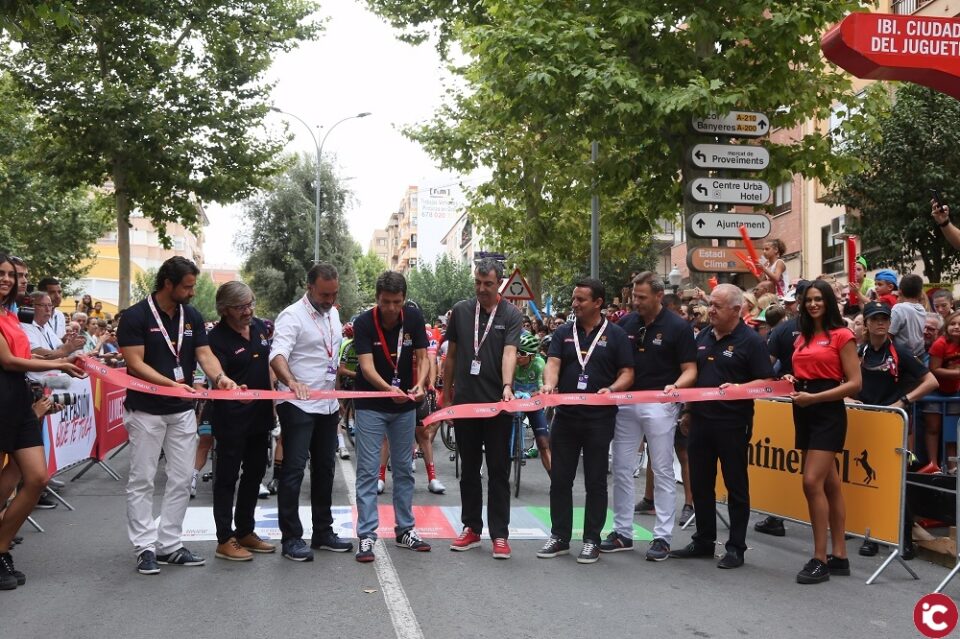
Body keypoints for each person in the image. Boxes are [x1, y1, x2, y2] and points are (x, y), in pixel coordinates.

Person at [117, 256, 239, 575]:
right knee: (142, 478)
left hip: (182, 410)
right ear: (167, 284)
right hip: (145, 410)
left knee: (182, 477)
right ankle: (145, 546)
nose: (192, 291)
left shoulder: (192, 316)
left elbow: (204, 353)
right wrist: (173, 384)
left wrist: (220, 378)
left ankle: (170, 544)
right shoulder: (135, 316)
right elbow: (135, 364)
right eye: (187, 286)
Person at [669, 284, 774, 569]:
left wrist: (740, 387)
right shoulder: (702, 336)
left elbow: (766, 382)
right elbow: (695, 378)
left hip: (732, 423)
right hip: (701, 421)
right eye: (710, 305)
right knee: (701, 484)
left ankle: (736, 547)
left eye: (717, 306)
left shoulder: (751, 341)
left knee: (735, 486)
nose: (710, 310)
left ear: (736, 310)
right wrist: (688, 410)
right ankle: (704, 540)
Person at [0, 254, 85, 589]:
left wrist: (63, 355)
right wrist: (61, 365)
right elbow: (8, 361)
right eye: (3, 274)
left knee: (36, 477)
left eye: (12, 275)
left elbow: (28, 354)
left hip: (18, 401)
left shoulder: (9, 315)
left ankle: (2, 547)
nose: (8, 279)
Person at [537, 278, 633, 564]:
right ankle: (559, 537)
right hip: (565, 417)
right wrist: (549, 384)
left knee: (595, 481)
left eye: (581, 300)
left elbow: (627, 372)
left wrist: (613, 389)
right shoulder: (564, 332)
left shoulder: (616, 335)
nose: (574, 304)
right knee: (560, 479)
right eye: (574, 299)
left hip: (599, 419)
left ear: (598, 303)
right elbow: (553, 363)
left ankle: (592, 539)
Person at [603, 271, 696, 561]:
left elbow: (690, 369)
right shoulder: (626, 324)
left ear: (658, 295)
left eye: (642, 297)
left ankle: (662, 537)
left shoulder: (678, 327)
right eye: (634, 296)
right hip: (626, 404)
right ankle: (622, 532)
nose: (636, 302)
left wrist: (675, 388)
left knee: (663, 469)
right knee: (620, 467)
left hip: (660, 403)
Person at [269, 262, 353, 562]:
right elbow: (277, 354)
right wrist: (291, 381)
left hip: (327, 405)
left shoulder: (333, 314)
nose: (329, 300)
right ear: (309, 288)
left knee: (325, 469)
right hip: (298, 404)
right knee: (293, 470)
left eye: (334, 294)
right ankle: (291, 538)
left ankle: (323, 532)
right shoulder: (292, 316)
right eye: (324, 294)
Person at [442, 258, 523, 559]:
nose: (481, 288)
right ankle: (471, 528)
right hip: (465, 403)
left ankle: (500, 535)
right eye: (478, 282)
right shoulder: (461, 312)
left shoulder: (511, 314)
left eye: (488, 284)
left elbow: (510, 352)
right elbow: (451, 356)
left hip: (497, 406)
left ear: (499, 283)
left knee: (499, 470)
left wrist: (507, 386)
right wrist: (445, 395)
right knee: (469, 470)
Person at [352, 271, 432, 562]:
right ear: (377, 298)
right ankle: (367, 535)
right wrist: (388, 389)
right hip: (372, 404)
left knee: (405, 469)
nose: (391, 308)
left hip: (404, 407)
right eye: (385, 302)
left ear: (404, 300)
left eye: (397, 302)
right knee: (368, 470)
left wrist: (421, 383)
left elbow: (423, 357)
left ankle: (405, 529)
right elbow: (366, 365)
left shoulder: (412, 318)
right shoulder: (364, 323)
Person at [787, 280, 861, 584]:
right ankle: (840, 555)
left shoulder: (843, 336)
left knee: (811, 482)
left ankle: (820, 558)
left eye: (819, 299)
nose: (813, 304)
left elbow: (855, 384)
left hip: (827, 411)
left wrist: (814, 398)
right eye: (809, 300)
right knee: (830, 484)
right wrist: (792, 378)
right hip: (803, 408)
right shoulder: (801, 338)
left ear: (828, 302)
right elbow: (805, 371)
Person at [853, 301, 938, 557]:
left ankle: (904, 538)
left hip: (893, 425)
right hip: (867, 423)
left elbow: (931, 381)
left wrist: (904, 401)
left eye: (885, 318)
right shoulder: (860, 352)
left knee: (895, 482)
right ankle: (872, 535)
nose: (881, 323)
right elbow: (848, 381)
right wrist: (850, 398)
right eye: (875, 318)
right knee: (869, 482)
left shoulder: (900, 351)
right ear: (866, 323)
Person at [207, 282, 276, 561]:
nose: (248, 311)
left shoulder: (259, 327)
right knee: (227, 478)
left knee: (255, 473)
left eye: (250, 304)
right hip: (231, 420)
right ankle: (225, 538)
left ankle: (246, 530)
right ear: (224, 310)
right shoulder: (217, 340)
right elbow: (217, 375)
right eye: (241, 307)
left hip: (260, 417)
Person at [926, 310, 960, 472]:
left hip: (954, 393)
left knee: (952, 429)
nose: (956, 327)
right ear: (946, 326)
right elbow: (934, 369)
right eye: (953, 324)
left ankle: (952, 466)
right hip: (935, 392)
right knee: (933, 428)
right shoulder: (940, 343)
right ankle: (933, 464)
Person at [512, 333, 551, 472]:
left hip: (533, 403)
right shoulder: (513, 362)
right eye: (517, 351)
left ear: (532, 356)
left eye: (522, 353)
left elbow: (543, 387)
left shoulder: (539, 363)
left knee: (543, 443)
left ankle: (556, 482)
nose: (517, 356)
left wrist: (531, 394)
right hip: (514, 401)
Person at [889, 274, 926, 358]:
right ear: (920, 293)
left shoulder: (899, 308)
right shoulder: (921, 309)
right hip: (920, 354)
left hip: (903, 357)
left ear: (900, 291)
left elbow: (889, 334)